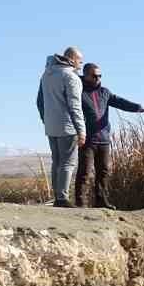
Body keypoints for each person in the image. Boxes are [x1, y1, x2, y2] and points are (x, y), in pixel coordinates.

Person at [76, 62, 144, 209]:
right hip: (87, 139)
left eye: (100, 75)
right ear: (85, 75)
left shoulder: (105, 92)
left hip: (104, 139)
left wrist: (137, 108)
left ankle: (101, 201)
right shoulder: (78, 91)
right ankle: (81, 204)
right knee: (85, 172)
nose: (98, 78)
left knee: (104, 172)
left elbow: (119, 102)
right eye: (94, 75)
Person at [36, 47, 86, 207]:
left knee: (57, 162)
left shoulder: (46, 75)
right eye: (80, 60)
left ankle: (58, 196)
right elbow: (75, 106)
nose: (81, 64)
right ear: (71, 59)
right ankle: (62, 198)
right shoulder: (70, 77)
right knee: (68, 162)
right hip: (67, 126)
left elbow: (39, 102)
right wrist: (81, 130)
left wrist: (46, 119)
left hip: (51, 126)